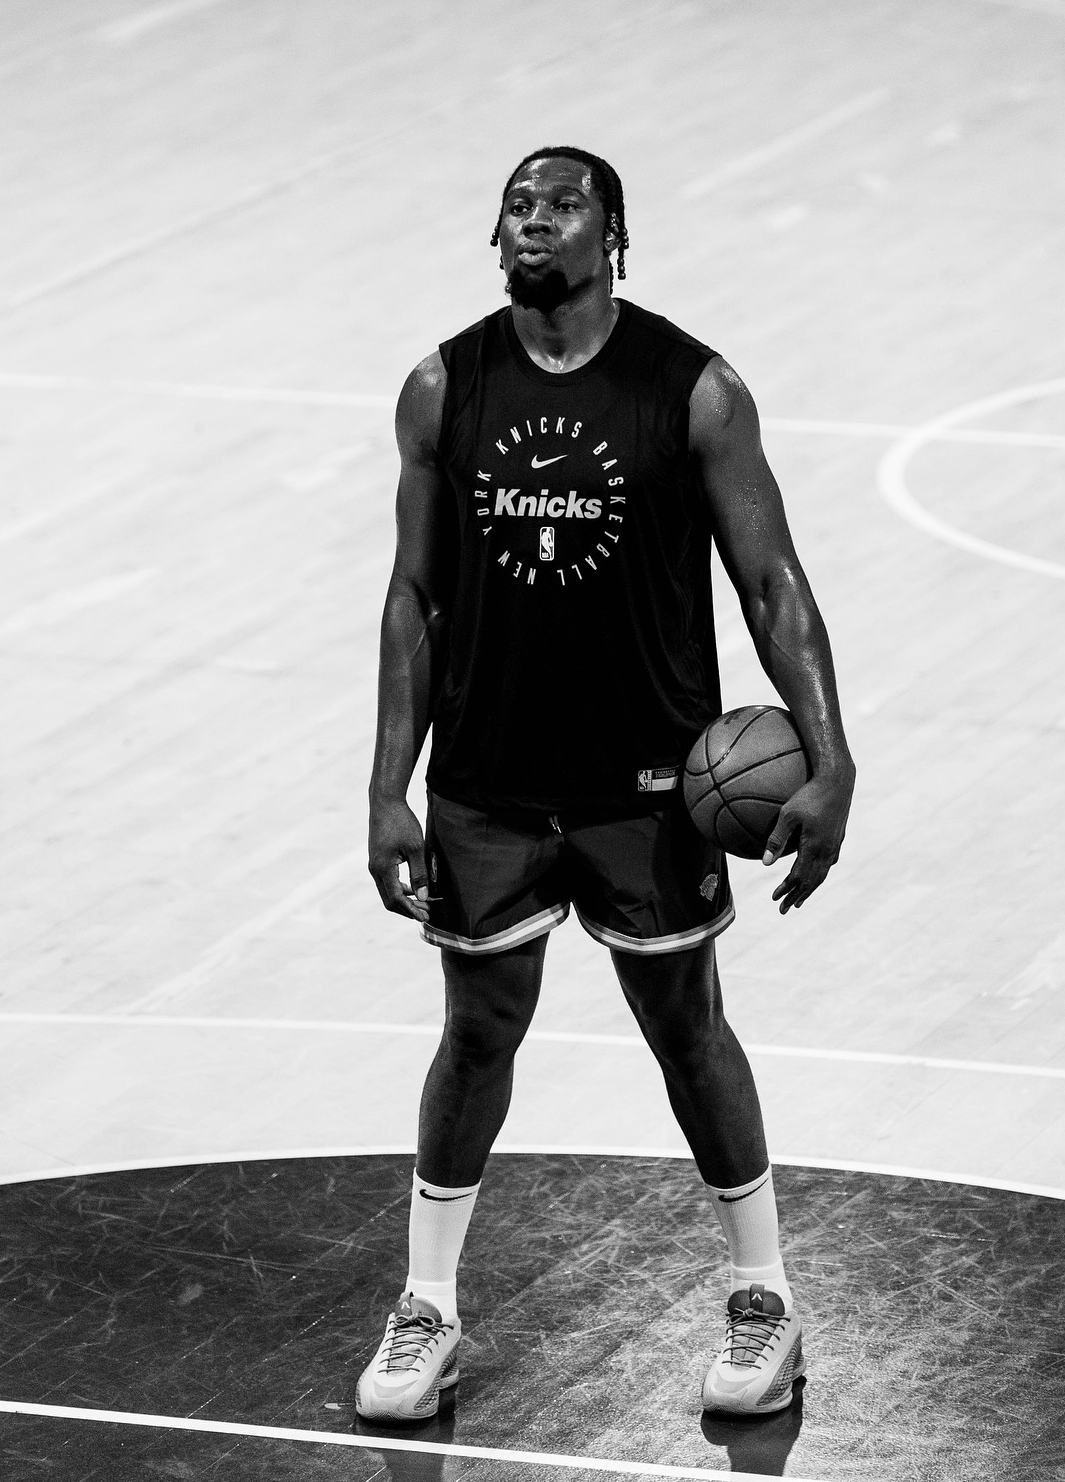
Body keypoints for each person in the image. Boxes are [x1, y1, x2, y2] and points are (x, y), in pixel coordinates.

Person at [356, 147, 855, 1423]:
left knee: (686, 1025)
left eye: (563, 205)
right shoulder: (442, 388)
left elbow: (772, 582)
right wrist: (387, 785)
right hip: (488, 779)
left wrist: (831, 754)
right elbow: (413, 597)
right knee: (477, 1031)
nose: (534, 222)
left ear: (614, 235)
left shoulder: (693, 390)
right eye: (517, 206)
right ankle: (427, 1307)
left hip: (647, 785)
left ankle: (764, 1297)